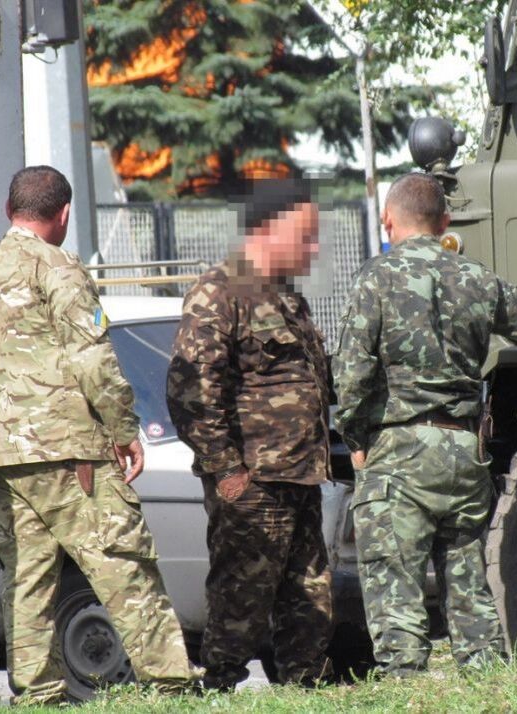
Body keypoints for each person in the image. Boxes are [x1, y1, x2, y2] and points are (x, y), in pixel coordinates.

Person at [0, 166, 198, 704]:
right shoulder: (59, 267)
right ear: (63, 214)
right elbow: (92, 357)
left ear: (8, 210)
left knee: (26, 571)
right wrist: (123, 430)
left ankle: (38, 693)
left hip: (0, 452)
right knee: (121, 560)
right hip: (69, 452)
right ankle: (171, 685)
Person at [333, 172, 517, 676]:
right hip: (463, 452)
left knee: (396, 592)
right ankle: (489, 687)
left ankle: (407, 692)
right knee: (468, 585)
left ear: (388, 220)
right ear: (445, 222)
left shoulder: (376, 277)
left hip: (398, 453)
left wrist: (356, 437)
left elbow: (352, 373)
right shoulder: (474, 277)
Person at [166, 178, 333, 691]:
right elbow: (191, 392)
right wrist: (226, 470)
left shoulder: (287, 299)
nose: (314, 248)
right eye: (305, 236)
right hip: (254, 482)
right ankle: (218, 688)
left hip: (300, 474)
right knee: (243, 597)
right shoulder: (220, 292)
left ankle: (305, 689)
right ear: (269, 229)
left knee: (310, 595)